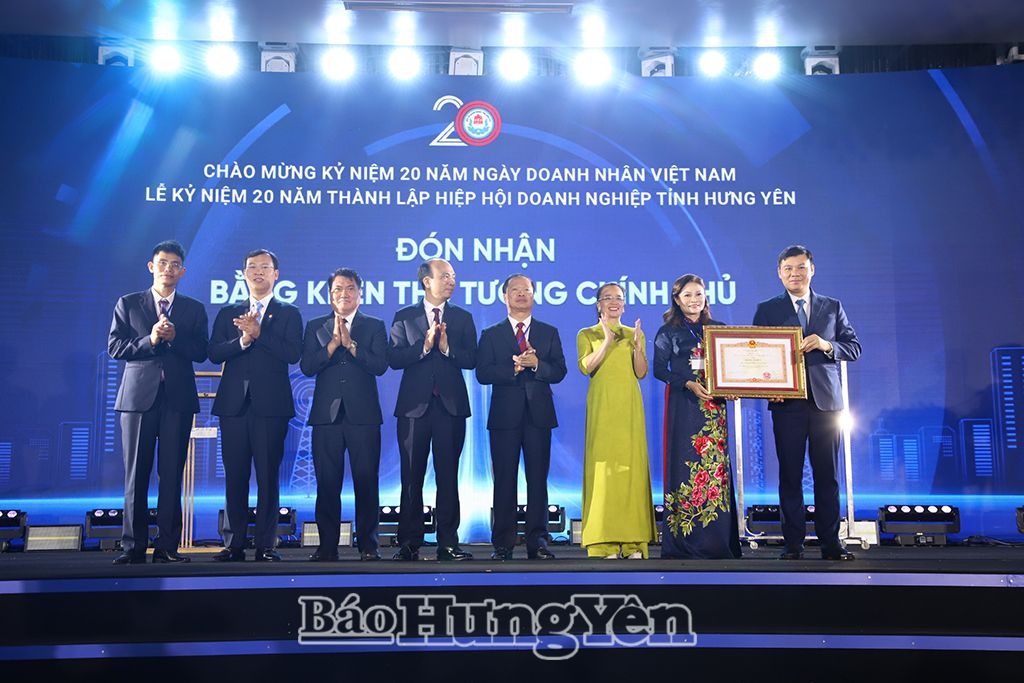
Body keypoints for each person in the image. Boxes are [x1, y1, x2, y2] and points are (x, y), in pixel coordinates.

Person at [753, 245, 861, 561]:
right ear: (779, 273)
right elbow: (756, 356)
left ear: (812, 269)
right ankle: (793, 544)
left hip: (827, 404)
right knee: (790, 475)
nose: (795, 274)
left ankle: (831, 542)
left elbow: (853, 347)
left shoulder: (832, 306)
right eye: (788, 268)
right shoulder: (767, 309)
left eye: (801, 267)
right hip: (787, 403)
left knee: (827, 476)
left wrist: (827, 344)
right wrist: (767, 389)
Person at [108, 240, 209, 565]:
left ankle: (167, 546)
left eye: (175, 265)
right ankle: (133, 546)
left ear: (183, 271)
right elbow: (115, 347)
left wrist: (175, 338)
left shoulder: (193, 309)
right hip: (138, 400)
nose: (168, 269)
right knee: (136, 475)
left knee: (171, 475)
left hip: (177, 400)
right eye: (163, 263)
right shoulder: (128, 303)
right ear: (152, 267)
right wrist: (150, 340)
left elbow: (202, 351)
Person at [208, 249, 302, 562]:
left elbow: (292, 353)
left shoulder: (288, 313)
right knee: (235, 477)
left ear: (276, 274)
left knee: (267, 477)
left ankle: (265, 544)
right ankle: (234, 544)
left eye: (264, 267)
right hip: (234, 407)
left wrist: (259, 334)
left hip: (271, 407)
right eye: (252, 267)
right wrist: (242, 341)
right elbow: (214, 353)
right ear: (244, 273)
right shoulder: (229, 312)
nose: (258, 272)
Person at [388, 258, 478, 561]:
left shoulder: (463, 317)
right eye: (445, 276)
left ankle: (448, 542)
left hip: (450, 408)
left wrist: (447, 349)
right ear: (427, 281)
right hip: (414, 409)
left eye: (453, 276)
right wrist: (424, 347)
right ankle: (409, 542)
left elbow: (472, 359)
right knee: (410, 477)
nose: (451, 281)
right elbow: (394, 358)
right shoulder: (405, 316)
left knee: (448, 476)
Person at [477, 274, 567, 561]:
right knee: (504, 480)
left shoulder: (548, 332)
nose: (521, 294)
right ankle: (503, 544)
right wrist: (513, 369)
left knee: (538, 481)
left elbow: (560, 371)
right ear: (505, 296)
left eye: (526, 290)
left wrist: (537, 364)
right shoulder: (491, 334)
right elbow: (482, 373)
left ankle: (537, 542)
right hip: (504, 417)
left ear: (534, 295)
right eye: (515, 290)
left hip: (539, 416)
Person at [300, 268, 388, 562]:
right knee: (327, 483)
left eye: (350, 288)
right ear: (330, 295)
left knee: (366, 481)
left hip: (363, 416)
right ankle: (327, 546)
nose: (344, 294)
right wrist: (332, 346)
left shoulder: (373, 325)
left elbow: (380, 366)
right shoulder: (316, 326)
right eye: (338, 289)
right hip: (326, 416)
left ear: (359, 294)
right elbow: (307, 367)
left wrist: (350, 345)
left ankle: (369, 545)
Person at [654, 274, 741, 559]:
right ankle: (686, 540)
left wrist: (734, 387)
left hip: (714, 407)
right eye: (688, 295)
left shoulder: (719, 329)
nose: (694, 300)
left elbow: (732, 366)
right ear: (677, 300)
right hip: (684, 404)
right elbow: (659, 370)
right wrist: (687, 383)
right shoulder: (668, 331)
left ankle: (717, 540)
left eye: (699, 294)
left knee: (715, 469)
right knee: (685, 465)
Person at [576, 282, 657, 559]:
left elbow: (641, 372)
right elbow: (586, 367)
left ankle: (633, 543)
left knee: (630, 471)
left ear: (624, 304)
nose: (613, 302)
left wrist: (637, 348)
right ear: (598, 304)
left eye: (618, 298)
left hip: (629, 407)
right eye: (607, 297)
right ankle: (604, 543)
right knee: (603, 474)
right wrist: (607, 343)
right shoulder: (587, 334)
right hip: (602, 407)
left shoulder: (635, 333)